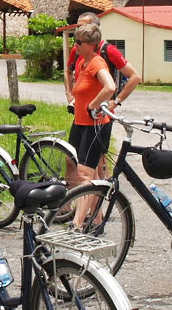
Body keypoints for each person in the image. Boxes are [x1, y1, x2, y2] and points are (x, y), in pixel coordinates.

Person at [64, 12, 142, 182]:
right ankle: (67, 204)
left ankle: (100, 198)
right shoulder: (78, 50)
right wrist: (69, 94)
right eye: (77, 27)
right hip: (81, 113)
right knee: (71, 158)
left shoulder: (108, 51)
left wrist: (116, 101)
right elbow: (68, 70)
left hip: (98, 114)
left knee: (97, 162)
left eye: (83, 27)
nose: (79, 30)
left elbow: (135, 76)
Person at [68, 23, 116, 229]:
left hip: (95, 126)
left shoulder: (97, 63)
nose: (75, 45)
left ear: (91, 45)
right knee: (91, 175)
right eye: (75, 41)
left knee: (85, 175)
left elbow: (110, 86)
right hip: (80, 124)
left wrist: (93, 105)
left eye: (79, 42)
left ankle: (76, 224)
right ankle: (97, 220)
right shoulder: (82, 62)